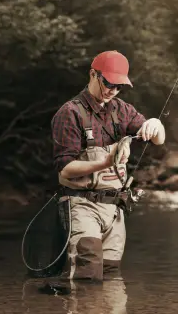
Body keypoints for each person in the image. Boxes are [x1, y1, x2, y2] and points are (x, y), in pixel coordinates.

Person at [51, 50, 166, 281]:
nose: (113, 90)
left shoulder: (121, 110)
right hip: (81, 205)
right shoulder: (70, 113)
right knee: (88, 273)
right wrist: (105, 162)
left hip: (114, 210)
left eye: (119, 86)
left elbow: (158, 139)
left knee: (112, 277)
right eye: (109, 83)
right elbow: (65, 168)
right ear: (93, 74)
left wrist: (155, 123)